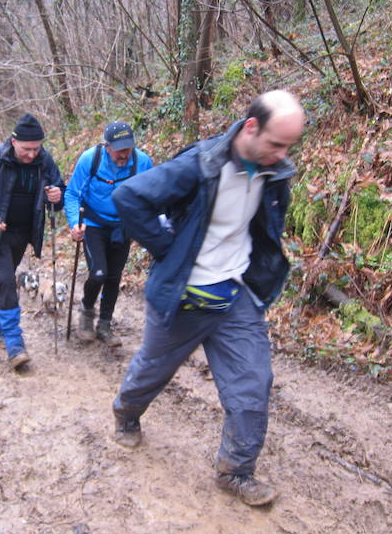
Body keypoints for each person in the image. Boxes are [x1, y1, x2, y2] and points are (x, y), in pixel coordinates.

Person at [109, 90, 305, 508]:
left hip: (236, 295)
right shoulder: (200, 164)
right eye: (275, 144)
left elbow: (264, 230)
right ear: (251, 127)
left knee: (253, 383)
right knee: (152, 371)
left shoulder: (273, 173)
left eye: (289, 146)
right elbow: (130, 198)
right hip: (184, 295)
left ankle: (236, 470)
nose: (282, 155)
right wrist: (168, 248)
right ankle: (126, 413)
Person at [0, 113, 65, 370]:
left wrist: (56, 196)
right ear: (14, 142)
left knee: (4, 280)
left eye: (36, 148)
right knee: (7, 279)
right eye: (27, 149)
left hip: (23, 231)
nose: (32, 154)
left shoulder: (44, 160)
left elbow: (59, 193)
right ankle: (14, 344)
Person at [64, 121, 153, 346]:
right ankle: (86, 311)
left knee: (114, 277)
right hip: (93, 223)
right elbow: (72, 194)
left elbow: (153, 193)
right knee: (98, 273)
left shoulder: (142, 162)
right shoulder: (90, 160)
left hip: (122, 225)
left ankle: (105, 324)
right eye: (119, 149)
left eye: (128, 148)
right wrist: (75, 223)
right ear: (107, 146)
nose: (124, 154)